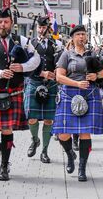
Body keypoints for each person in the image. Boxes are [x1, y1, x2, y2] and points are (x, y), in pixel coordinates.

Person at [52, 25, 103, 181]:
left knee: (85, 133)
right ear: (72, 38)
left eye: (83, 34)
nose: (81, 37)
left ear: (86, 37)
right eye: (78, 34)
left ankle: (82, 168)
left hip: (89, 94)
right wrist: (76, 84)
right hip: (69, 93)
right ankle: (70, 155)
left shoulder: (93, 54)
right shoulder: (66, 55)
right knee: (63, 134)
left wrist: (96, 75)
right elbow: (59, 77)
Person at [0, 7, 40, 180]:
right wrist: (0, 73)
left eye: (5, 22)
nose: (2, 25)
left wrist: (22, 67)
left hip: (12, 92)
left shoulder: (21, 40)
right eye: (0, 22)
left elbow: (36, 59)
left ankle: (4, 166)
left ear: (11, 23)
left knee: (6, 129)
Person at [24, 16, 62, 163]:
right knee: (32, 118)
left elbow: (60, 64)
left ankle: (45, 151)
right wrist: (41, 73)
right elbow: (25, 65)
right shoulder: (30, 44)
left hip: (50, 85)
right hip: (34, 82)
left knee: (48, 120)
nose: (41, 30)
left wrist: (57, 73)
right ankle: (35, 140)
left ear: (48, 28)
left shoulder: (56, 44)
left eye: (43, 27)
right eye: (39, 27)